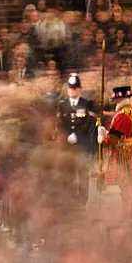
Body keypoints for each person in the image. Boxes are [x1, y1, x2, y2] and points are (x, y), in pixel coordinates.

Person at [98, 86, 132, 220]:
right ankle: (129, 215)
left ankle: (128, 216)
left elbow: (114, 138)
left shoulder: (123, 115)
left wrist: (103, 139)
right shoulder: (130, 111)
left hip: (125, 151)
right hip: (129, 148)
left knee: (126, 187)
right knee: (128, 187)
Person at [56, 73, 98, 208]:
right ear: (67, 89)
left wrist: (77, 136)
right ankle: (69, 199)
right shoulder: (62, 105)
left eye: (75, 88)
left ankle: (82, 201)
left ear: (80, 89)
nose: (72, 90)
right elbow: (60, 123)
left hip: (82, 145)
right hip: (67, 146)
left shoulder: (87, 104)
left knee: (83, 174)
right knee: (68, 173)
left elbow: (89, 123)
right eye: (70, 88)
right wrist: (66, 135)